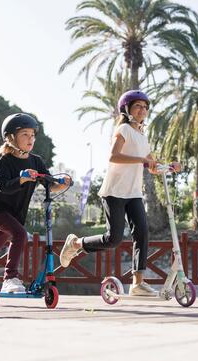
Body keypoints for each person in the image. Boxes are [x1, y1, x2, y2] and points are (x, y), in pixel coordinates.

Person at [60, 90, 163, 296]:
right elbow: (114, 156)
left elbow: (152, 165)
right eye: (138, 106)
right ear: (127, 109)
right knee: (113, 239)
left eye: (145, 107)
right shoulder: (124, 129)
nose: (142, 110)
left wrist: (168, 166)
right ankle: (75, 243)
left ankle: (137, 283)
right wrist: (142, 160)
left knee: (141, 233)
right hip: (114, 191)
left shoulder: (143, 135)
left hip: (133, 193)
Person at [0, 113, 71, 293]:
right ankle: (10, 278)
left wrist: (60, 182)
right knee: (20, 235)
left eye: (32, 135)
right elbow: (3, 186)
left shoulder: (36, 160)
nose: (30, 138)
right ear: (11, 137)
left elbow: (49, 184)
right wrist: (22, 179)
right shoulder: (6, 161)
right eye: (25, 134)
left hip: (16, 214)